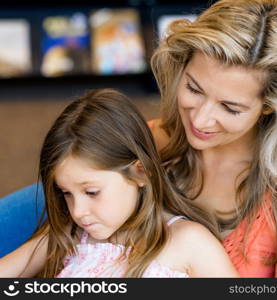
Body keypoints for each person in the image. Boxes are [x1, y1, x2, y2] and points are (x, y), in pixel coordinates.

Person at [0, 0, 277, 278]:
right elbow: (63, 237)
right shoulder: (149, 141)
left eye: (231, 107)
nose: (202, 119)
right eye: (193, 88)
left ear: (270, 107)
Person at [0, 89, 238, 278]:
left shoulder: (190, 242)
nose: (78, 211)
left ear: (141, 173)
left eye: (92, 192)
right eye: (66, 194)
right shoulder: (70, 233)